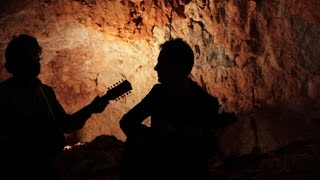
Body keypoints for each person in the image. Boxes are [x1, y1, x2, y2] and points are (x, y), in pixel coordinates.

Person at [119, 38, 237, 179]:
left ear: (175, 66)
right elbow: (127, 122)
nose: (156, 68)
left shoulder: (206, 103)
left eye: (162, 62)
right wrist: (156, 135)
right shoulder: (158, 93)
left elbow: (204, 151)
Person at [0, 34, 109, 179]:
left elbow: (66, 125)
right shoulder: (3, 94)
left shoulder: (45, 92)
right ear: (18, 62)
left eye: (36, 57)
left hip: (50, 167)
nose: (36, 61)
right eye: (31, 57)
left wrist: (91, 108)